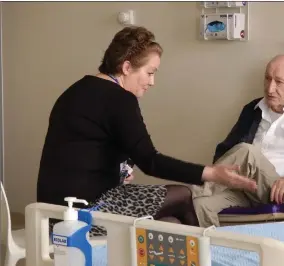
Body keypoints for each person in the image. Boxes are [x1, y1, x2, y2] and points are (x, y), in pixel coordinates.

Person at [37, 26, 256, 236]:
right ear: (126, 68)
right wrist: (213, 173)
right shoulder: (119, 99)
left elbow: (86, 151)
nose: (152, 82)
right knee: (182, 195)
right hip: (84, 214)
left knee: (171, 223)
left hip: (52, 214)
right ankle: (211, 253)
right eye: (150, 72)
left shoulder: (76, 90)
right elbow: (150, 161)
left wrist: (119, 172)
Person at [191, 54, 284, 227]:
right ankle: (217, 252)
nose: (270, 88)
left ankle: (190, 191)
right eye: (267, 79)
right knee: (201, 205)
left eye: (278, 82)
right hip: (244, 188)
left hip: (279, 191)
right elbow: (224, 152)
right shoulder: (253, 110)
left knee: (247, 151)